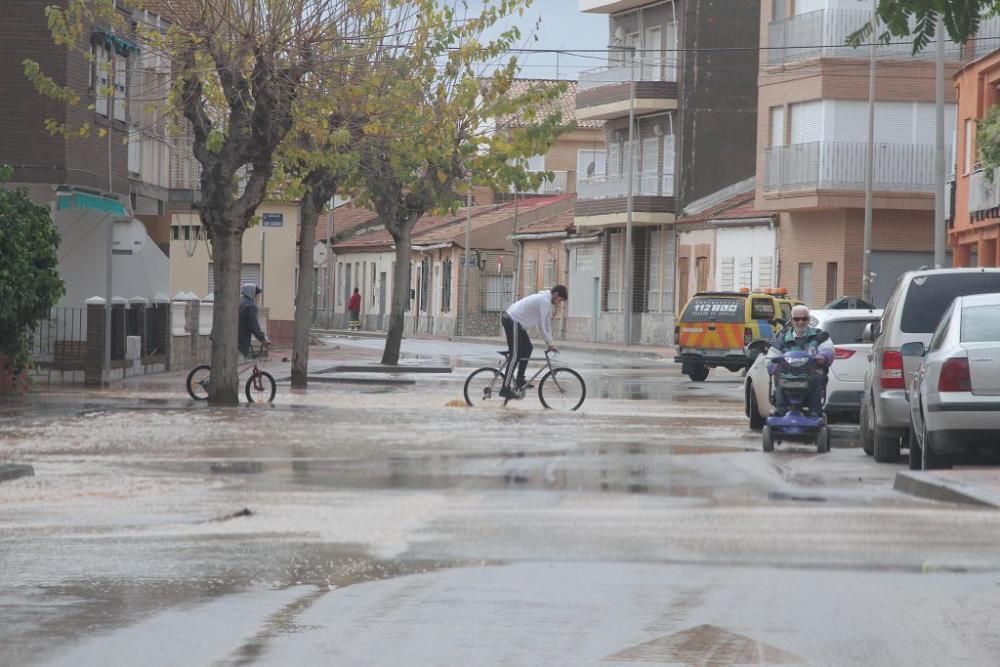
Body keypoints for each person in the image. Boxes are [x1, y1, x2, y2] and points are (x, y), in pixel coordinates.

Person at [500, 285, 568, 398]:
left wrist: (550, 343)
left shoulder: (545, 302)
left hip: (516, 323)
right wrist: (549, 343)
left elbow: (547, 324)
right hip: (512, 320)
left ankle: (520, 380)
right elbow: (541, 326)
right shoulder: (544, 301)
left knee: (528, 348)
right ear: (555, 295)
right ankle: (505, 388)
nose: (558, 303)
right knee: (515, 356)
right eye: (559, 300)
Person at [766, 304, 834, 416]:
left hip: (811, 375)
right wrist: (773, 365)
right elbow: (771, 356)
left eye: (804, 319)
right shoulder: (783, 337)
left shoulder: (819, 335)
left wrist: (822, 356)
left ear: (809, 320)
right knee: (779, 378)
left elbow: (828, 349)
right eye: (797, 319)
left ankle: (815, 412)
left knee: (818, 378)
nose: (800, 322)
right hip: (788, 375)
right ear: (792, 320)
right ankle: (781, 411)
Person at [239, 283, 270, 358]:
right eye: (258, 296)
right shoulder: (250, 306)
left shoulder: (239, 302)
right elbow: (254, 326)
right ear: (252, 294)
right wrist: (263, 340)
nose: (258, 299)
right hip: (239, 343)